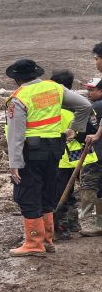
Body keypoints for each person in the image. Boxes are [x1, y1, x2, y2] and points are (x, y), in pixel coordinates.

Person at [5, 59, 92, 256]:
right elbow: (85, 105)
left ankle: (34, 243)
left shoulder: (19, 97)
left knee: (27, 194)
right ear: (36, 74)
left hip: (31, 152)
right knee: (47, 192)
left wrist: (14, 163)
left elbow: (16, 134)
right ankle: (46, 240)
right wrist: (74, 129)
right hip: (55, 150)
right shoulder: (55, 88)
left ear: (17, 79)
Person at [50, 71, 97, 240]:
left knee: (59, 193)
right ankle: (72, 223)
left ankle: (61, 227)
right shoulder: (82, 106)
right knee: (69, 193)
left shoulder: (57, 108)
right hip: (79, 156)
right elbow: (91, 129)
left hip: (63, 158)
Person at [79, 77, 102, 236]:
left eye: (92, 90)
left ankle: (87, 221)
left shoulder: (96, 107)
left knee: (89, 184)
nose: (89, 93)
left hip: (97, 155)